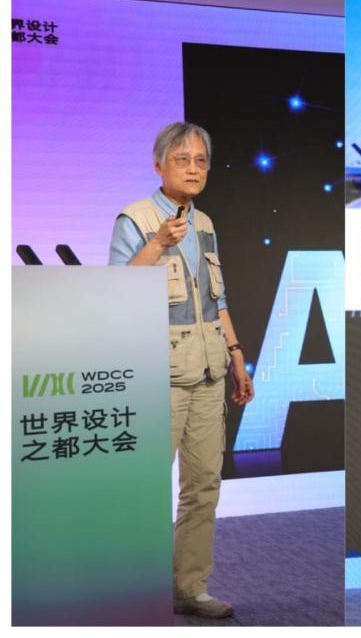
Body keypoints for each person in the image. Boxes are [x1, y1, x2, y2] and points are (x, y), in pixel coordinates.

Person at [109, 122, 254, 619]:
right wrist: (155, 245)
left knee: (204, 484)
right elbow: (114, 293)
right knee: (145, 488)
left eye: (200, 161)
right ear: (159, 166)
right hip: (160, 374)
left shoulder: (205, 222)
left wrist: (237, 356)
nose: (193, 169)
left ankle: (189, 588)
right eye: (182, 160)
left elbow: (218, 299)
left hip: (210, 370)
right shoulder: (135, 218)